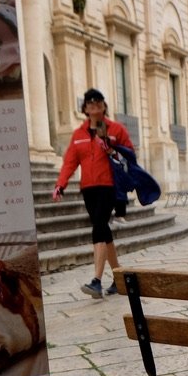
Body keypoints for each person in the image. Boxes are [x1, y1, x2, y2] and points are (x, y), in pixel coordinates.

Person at [53, 88, 135, 298]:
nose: (94, 105)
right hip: (88, 188)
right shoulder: (78, 134)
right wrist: (60, 184)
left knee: (99, 227)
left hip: (109, 187)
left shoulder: (116, 129)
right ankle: (119, 279)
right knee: (103, 232)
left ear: (104, 106)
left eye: (98, 101)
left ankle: (96, 281)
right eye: (90, 102)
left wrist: (111, 149)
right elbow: (70, 162)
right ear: (85, 108)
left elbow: (130, 155)